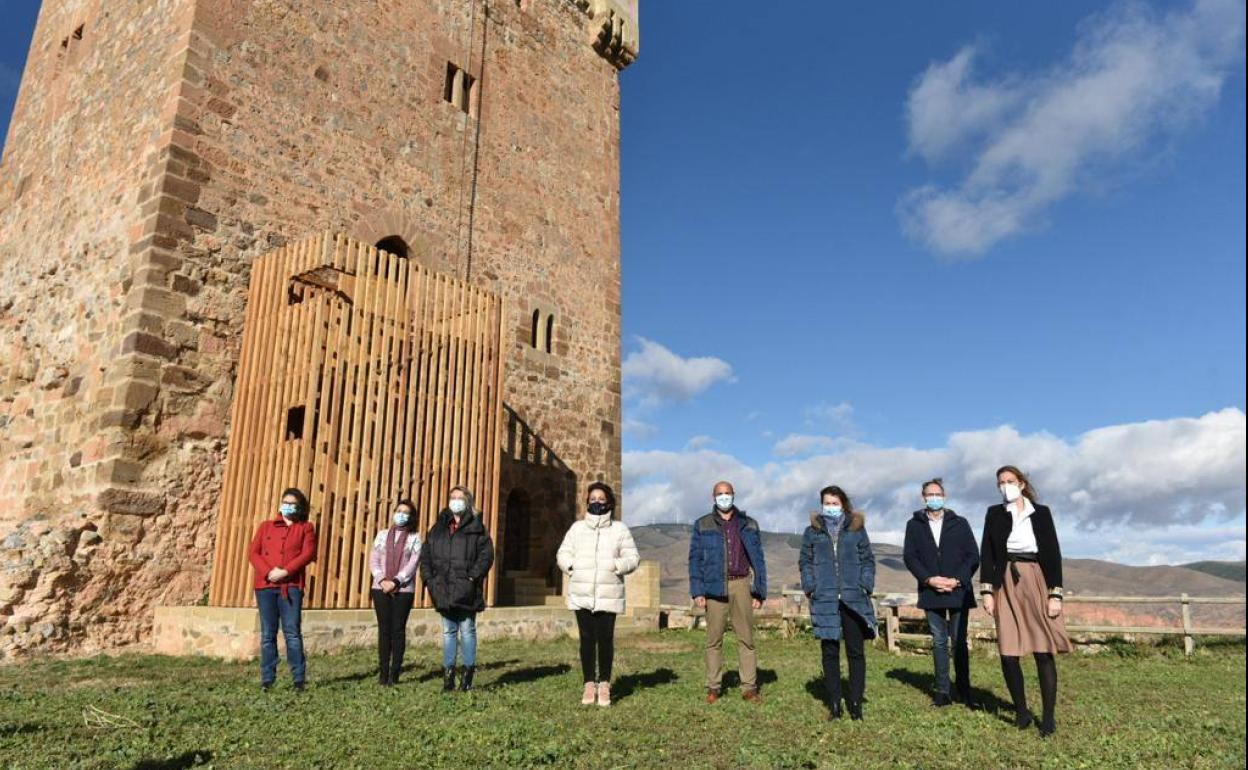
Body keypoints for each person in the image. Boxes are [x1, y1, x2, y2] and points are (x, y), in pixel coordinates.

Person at [980, 465, 1071, 737]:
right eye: (1000, 482)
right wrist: (987, 591)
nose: (1005, 486)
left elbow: (1053, 553)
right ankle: (1021, 712)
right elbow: (987, 552)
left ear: (1021, 483)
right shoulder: (994, 514)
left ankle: (1048, 718)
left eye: (1009, 481)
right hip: (1005, 580)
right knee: (1008, 652)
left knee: (1043, 651)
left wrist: (1055, 593)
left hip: (1036, 578)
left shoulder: (1040, 513)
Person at [557, 482, 640, 706]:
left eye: (601, 499)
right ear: (587, 502)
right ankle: (588, 684)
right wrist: (572, 566)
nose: (596, 502)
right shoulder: (577, 529)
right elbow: (563, 552)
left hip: (608, 592)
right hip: (582, 591)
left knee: (605, 639)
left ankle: (604, 684)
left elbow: (633, 557)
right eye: (593, 498)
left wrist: (616, 565)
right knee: (586, 639)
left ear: (609, 502)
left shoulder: (619, 529)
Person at [799, 485, 876, 721]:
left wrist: (864, 585)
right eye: (827, 503)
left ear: (843, 504)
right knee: (830, 651)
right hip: (825, 598)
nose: (830, 507)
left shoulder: (856, 528)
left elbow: (868, 560)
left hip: (853, 598)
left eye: (835, 503)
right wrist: (811, 587)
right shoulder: (812, 531)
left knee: (855, 651)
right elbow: (805, 561)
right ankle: (834, 703)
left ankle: (855, 702)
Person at [902, 478, 980, 708]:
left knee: (958, 642)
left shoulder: (960, 523)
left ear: (944, 496)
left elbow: (973, 555)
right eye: (929, 494)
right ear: (923, 497)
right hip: (930, 591)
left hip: (958, 591)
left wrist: (957, 580)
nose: (933, 498)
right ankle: (943, 691)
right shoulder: (913, 524)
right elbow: (910, 556)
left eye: (937, 494)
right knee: (938, 641)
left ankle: (965, 691)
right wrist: (929, 579)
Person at [688, 481, 768, 704]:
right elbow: (694, 560)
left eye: (727, 493)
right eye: (720, 494)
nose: (724, 497)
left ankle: (749, 687)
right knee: (714, 640)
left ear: (734, 495)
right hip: (714, 587)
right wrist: (697, 590)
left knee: (747, 639)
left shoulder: (749, 524)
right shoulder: (702, 524)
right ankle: (714, 687)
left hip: (741, 584)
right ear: (713, 497)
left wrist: (759, 591)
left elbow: (758, 560)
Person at [420, 485, 494, 692]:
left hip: (467, 589)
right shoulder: (438, 528)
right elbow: (426, 555)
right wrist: (429, 579)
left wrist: (472, 576)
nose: (456, 501)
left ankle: (467, 677)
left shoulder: (477, 527)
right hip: (443, 588)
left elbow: (486, 555)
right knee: (448, 632)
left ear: (468, 501)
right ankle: (448, 677)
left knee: (468, 631)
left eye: (460, 498)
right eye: (453, 497)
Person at [247, 487, 317, 692]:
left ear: (299, 507)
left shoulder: (305, 528)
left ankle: (298, 679)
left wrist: (285, 571)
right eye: (284, 502)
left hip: (291, 586)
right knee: (268, 634)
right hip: (265, 586)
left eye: (292, 503)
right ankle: (267, 679)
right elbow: (253, 552)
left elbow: (307, 553)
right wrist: (269, 572)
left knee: (292, 633)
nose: (287, 506)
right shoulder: (266, 526)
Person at [369, 498, 423, 686]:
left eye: (405, 512)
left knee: (397, 630)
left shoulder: (415, 538)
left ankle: (395, 672)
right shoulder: (382, 535)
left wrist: (397, 581)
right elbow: (374, 559)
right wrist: (382, 580)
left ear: (411, 517)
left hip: (404, 590)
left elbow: (413, 563)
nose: (401, 514)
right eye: (398, 510)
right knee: (384, 630)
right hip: (380, 588)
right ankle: (383, 672)